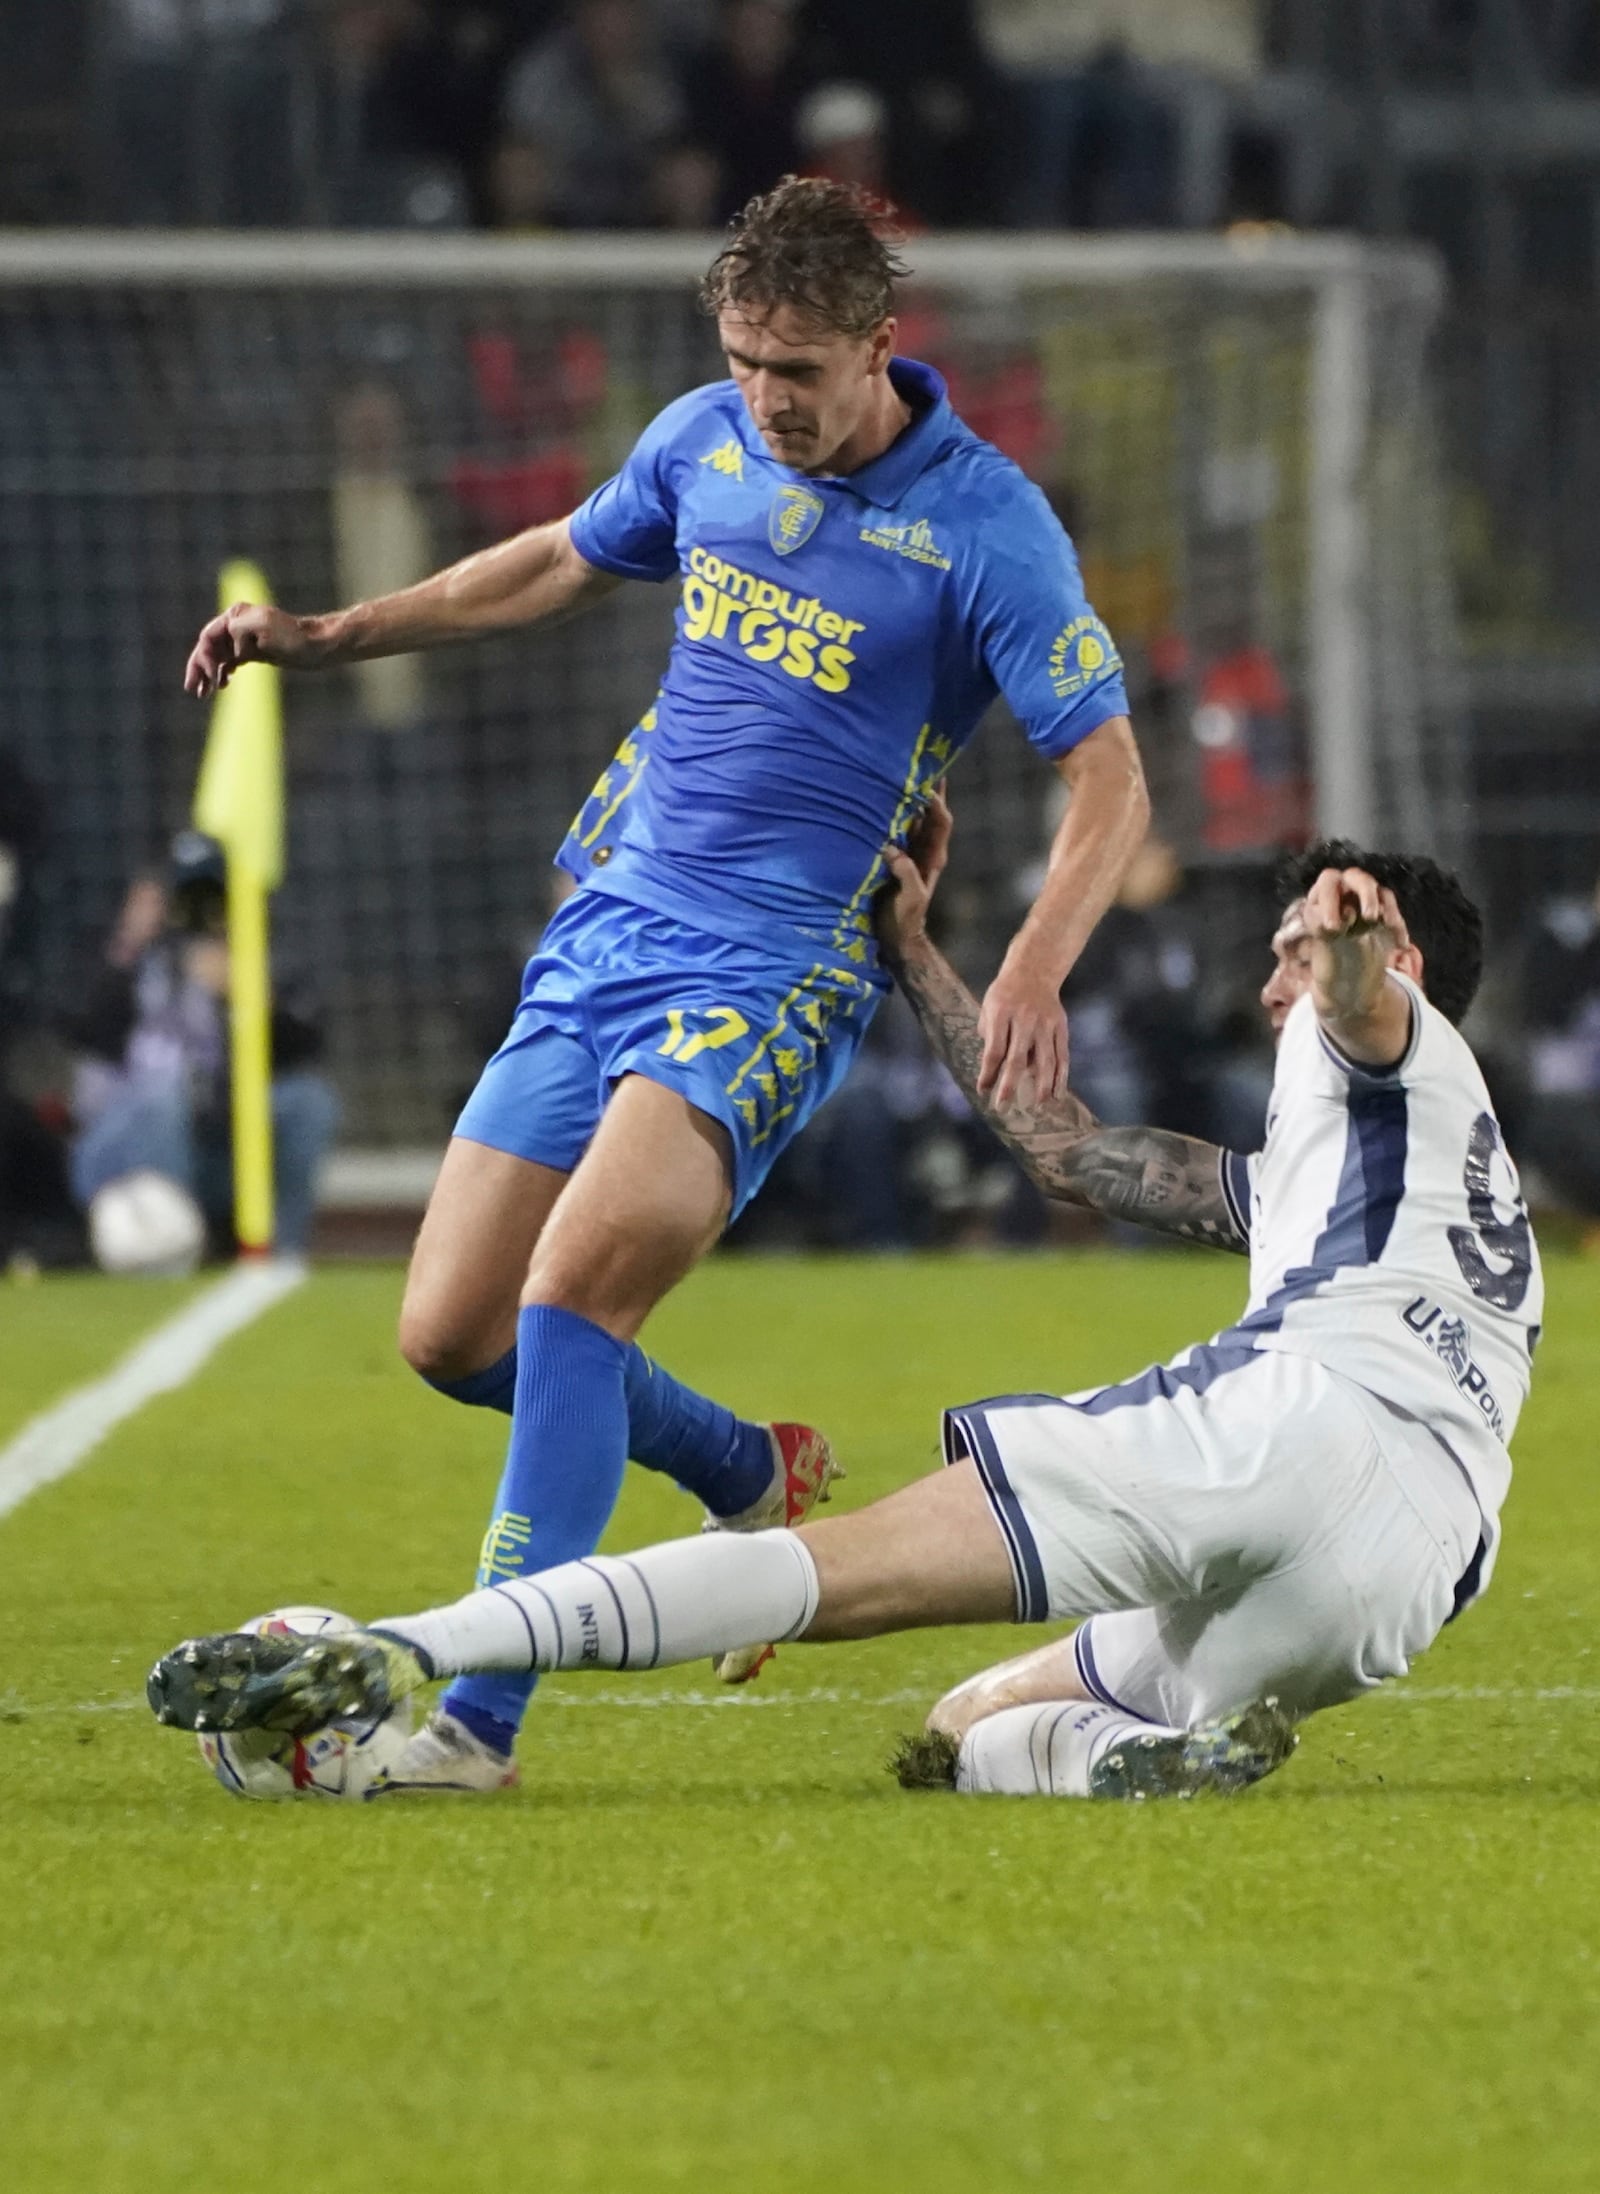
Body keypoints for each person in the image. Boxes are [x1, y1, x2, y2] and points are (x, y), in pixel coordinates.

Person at [180, 178, 1148, 1791]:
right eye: (749, 360)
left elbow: (1109, 776)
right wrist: (321, 633)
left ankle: (470, 1721)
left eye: (802, 372)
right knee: (448, 1329)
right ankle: (740, 1462)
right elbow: (554, 560)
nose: (771, 401)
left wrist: (1033, 964)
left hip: (775, 963)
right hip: (612, 921)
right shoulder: (702, 437)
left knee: (569, 1299)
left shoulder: (985, 520)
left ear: (879, 347)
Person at [149, 825, 1541, 1803]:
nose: (1273, 984)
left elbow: (1364, 1009)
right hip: (1403, 1574)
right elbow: (1066, 1151)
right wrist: (915, 954)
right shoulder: (1395, 1177)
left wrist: (1347, 951)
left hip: (1300, 1421)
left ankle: (415, 1651)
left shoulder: (1384, 1039)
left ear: (1396, 953)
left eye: (1287, 955)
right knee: (965, 1725)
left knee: (818, 1573)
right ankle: (1118, 1759)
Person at [67, 832, 339, 1263]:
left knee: (308, 1101)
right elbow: (78, 1026)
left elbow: (310, 1041)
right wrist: (130, 943)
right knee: (165, 1094)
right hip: (121, 1152)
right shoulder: (130, 964)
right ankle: (170, 1245)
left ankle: (284, 1255)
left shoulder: (257, 959)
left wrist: (250, 998)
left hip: (210, 1145)